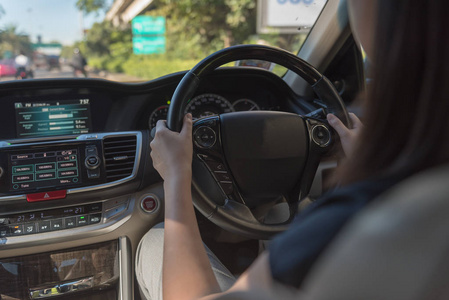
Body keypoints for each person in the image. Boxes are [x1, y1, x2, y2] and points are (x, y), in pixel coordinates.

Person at [136, 0, 449, 299]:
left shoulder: (345, 227)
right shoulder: (417, 198)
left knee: (156, 240)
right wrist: (374, 170)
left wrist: (176, 173)